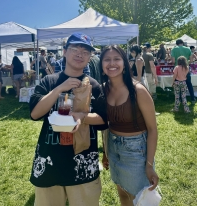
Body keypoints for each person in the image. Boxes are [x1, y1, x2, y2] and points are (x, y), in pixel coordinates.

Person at [29, 32, 107, 206]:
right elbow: (35, 114)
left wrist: (82, 117)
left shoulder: (94, 85)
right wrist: (59, 89)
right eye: (75, 49)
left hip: (83, 162)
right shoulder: (49, 81)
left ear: (89, 57)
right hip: (50, 160)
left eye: (85, 52)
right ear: (64, 52)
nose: (80, 54)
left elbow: (104, 120)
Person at [99, 45, 158, 206]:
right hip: (113, 147)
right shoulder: (104, 89)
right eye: (107, 59)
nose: (112, 63)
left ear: (124, 63)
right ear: (102, 64)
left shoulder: (137, 90)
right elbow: (106, 125)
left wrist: (150, 165)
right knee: (123, 195)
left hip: (136, 151)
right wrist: (105, 152)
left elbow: (153, 129)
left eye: (117, 59)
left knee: (140, 200)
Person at [171, 39, 195, 104]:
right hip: (186, 68)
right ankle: (192, 98)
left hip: (177, 69)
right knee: (189, 84)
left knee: (179, 85)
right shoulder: (188, 49)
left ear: (177, 44)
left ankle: (180, 100)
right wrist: (187, 63)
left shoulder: (174, 49)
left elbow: (173, 61)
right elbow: (191, 60)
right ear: (182, 43)